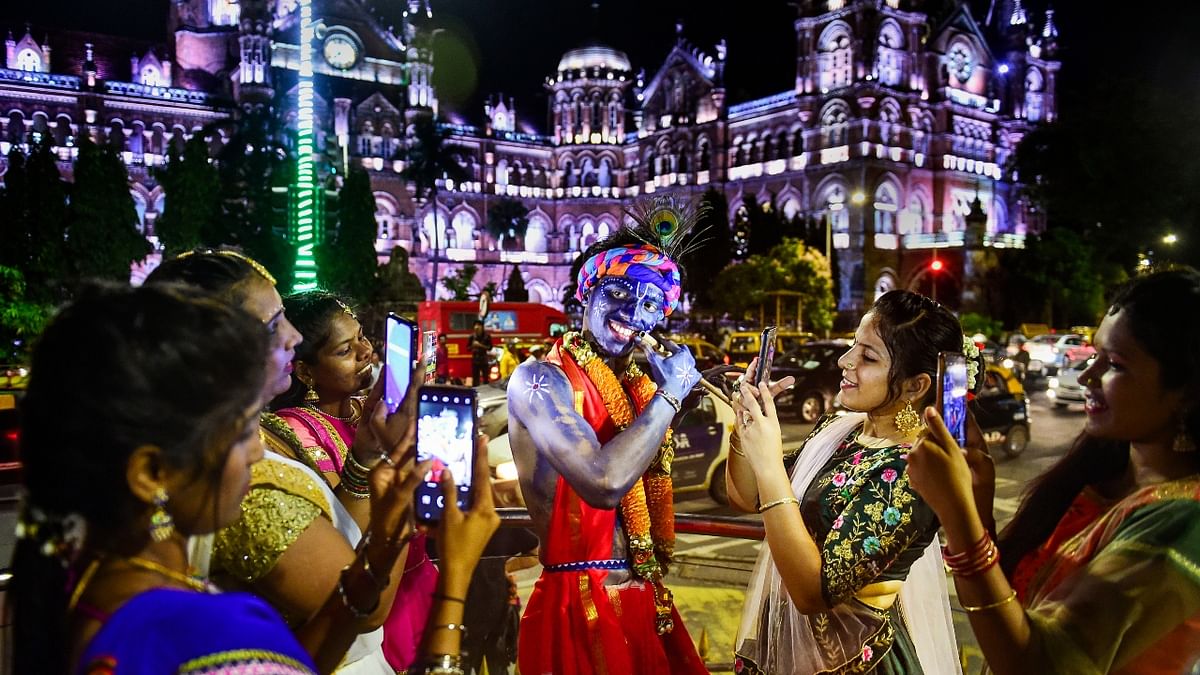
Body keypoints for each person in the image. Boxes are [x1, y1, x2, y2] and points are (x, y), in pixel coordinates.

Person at [8, 283, 424, 674]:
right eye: (241, 432)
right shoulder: (209, 633)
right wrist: (456, 589)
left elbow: (298, 665)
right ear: (152, 474)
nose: (258, 452)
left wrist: (381, 549)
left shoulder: (88, 587)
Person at [906, 268, 1200, 674]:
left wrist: (958, 518)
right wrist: (977, 505)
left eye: (1114, 363)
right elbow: (1008, 604)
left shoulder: (1184, 522)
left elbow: (1040, 664)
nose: (1086, 376)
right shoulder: (1100, 480)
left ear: (1186, 391)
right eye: (1094, 355)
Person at [145, 249, 427, 673]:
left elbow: (333, 541)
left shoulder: (246, 441)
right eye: (275, 324)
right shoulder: (240, 479)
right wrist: (402, 482)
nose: (294, 337)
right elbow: (363, 609)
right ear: (220, 352)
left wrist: (366, 455)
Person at [507, 195, 709, 675]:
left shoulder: (637, 389)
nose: (634, 311)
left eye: (651, 302)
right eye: (619, 291)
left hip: (644, 598)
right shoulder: (541, 379)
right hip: (577, 606)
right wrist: (672, 395)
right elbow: (603, 482)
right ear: (586, 291)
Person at [728, 290, 966, 674]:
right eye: (853, 345)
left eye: (868, 356)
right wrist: (745, 427)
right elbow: (747, 495)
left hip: (852, 661)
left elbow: (811, 593)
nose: (845, 361)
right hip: (786, 644)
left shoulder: (914, 470)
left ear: (914, 386)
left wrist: (770, 463)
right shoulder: (838, 431)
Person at [271, 291, 440, 672]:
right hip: (374, 606)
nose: (366, 352)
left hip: (417, 580)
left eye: (363, 336)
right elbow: (344, 531)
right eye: (345, 350)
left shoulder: (369, 409)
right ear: (305, 371)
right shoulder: (295, 431)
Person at [469, 320, 493, 385]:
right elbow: (468, 348)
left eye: (478, 325)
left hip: (484, 359)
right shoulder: (472, 337)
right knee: (475, 378)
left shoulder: (487, 336)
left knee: (486, 377)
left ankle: (487, 392)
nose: (476, 327)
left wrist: (480, 345)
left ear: (482, 327)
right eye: (475, 325)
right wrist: (472, 346)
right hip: (475, 360)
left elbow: (490, 348)